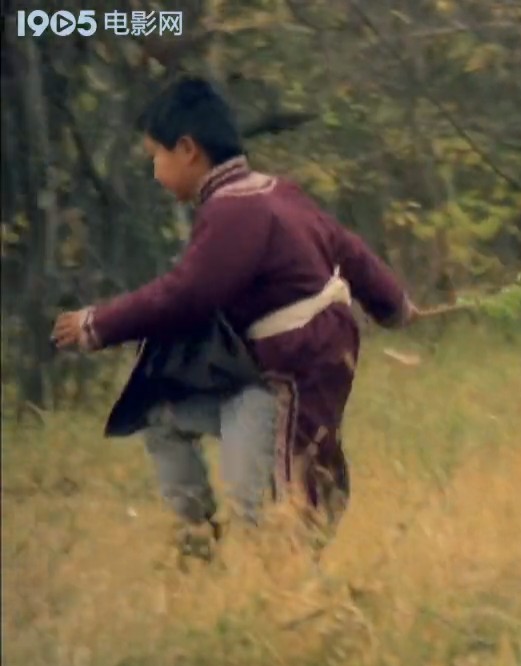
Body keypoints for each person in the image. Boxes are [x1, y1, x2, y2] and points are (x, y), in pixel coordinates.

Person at [51, 76, 423, 549]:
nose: (155, 171)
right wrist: (394, 305)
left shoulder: (234, 211)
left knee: (270, 506)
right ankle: (196, 540)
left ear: (188, 149)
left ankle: (286, 568)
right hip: (263, 369)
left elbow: (185, 294)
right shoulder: (277, 192)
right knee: (162, 417)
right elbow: (348, 248)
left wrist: (98, 324)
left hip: (294, 364)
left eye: (156, 156)